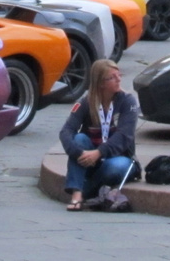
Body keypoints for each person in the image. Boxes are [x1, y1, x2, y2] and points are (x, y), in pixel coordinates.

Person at [58, 59, 137, 212]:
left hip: (118, 157)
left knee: (116, 166)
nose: (118, 79)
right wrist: (78, 153)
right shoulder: (86, 102)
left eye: (119, 75)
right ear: (100, 83)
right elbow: (66, 131)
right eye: (112, 77)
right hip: (90, 159)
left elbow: (124, 135)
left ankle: (84, 190)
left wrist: (99, 152)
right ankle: (77, 193)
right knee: (79, 139)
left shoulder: (127, 101)